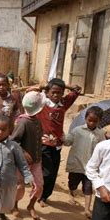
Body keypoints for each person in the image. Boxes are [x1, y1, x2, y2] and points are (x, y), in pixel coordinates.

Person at [36, 78, 81, 207]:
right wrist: (45, 85)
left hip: (57, 144)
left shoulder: (63, 103)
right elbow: (32, 90)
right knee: (46, 171)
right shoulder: (42, 102)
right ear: (48, 92)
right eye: (53, 92)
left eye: (59, 92)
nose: (56, 95)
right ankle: (39, 194)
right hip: (43, 143)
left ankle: (45, 196)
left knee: (53, 172)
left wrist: (63, 85)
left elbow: (77, 89)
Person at [63, 106, 106, 219]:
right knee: (73, 182)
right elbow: (68, 142)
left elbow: (103, 148)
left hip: (91, 166)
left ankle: (87, 209)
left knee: (88, 187)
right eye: (89, 120)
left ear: (99, 121)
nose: (91, 123)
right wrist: (62, 137)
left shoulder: (101, 133)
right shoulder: (77, 130)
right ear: (85, 118)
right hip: (77, 163)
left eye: (95, 121)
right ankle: (71, 193)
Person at [11, 91, 45, 220]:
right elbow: (14, 141)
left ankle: (31, 206)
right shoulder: (23, 122)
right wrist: (24, 153)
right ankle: (14, 205)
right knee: (19, 186)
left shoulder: (37, 121)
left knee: (39, 185)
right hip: (22, 162)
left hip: (36, 160)